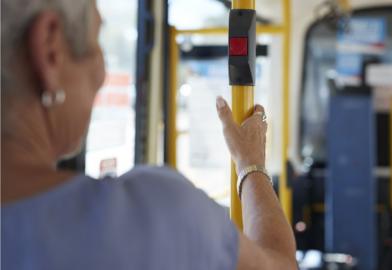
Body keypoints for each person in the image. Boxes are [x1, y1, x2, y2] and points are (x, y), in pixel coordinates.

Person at [1, 0, 297, 269]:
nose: (102, 73)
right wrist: (251, 165)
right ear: (50, 48)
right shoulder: (154, 219)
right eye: (96, 40)